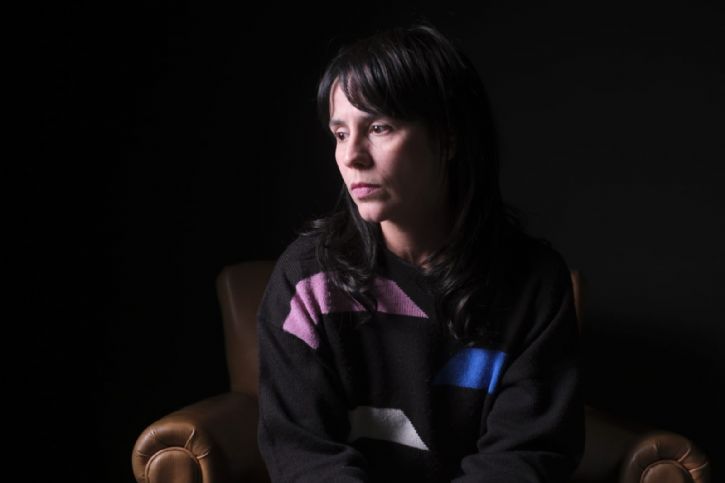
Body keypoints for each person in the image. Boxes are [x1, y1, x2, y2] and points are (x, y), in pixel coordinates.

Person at [256, 22, 584, 482]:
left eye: (379, 127)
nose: (351, 156)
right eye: (340, 134)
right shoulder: (307, 281)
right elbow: (303, 456)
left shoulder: (533, 285)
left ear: (448, 138)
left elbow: (525, 456)